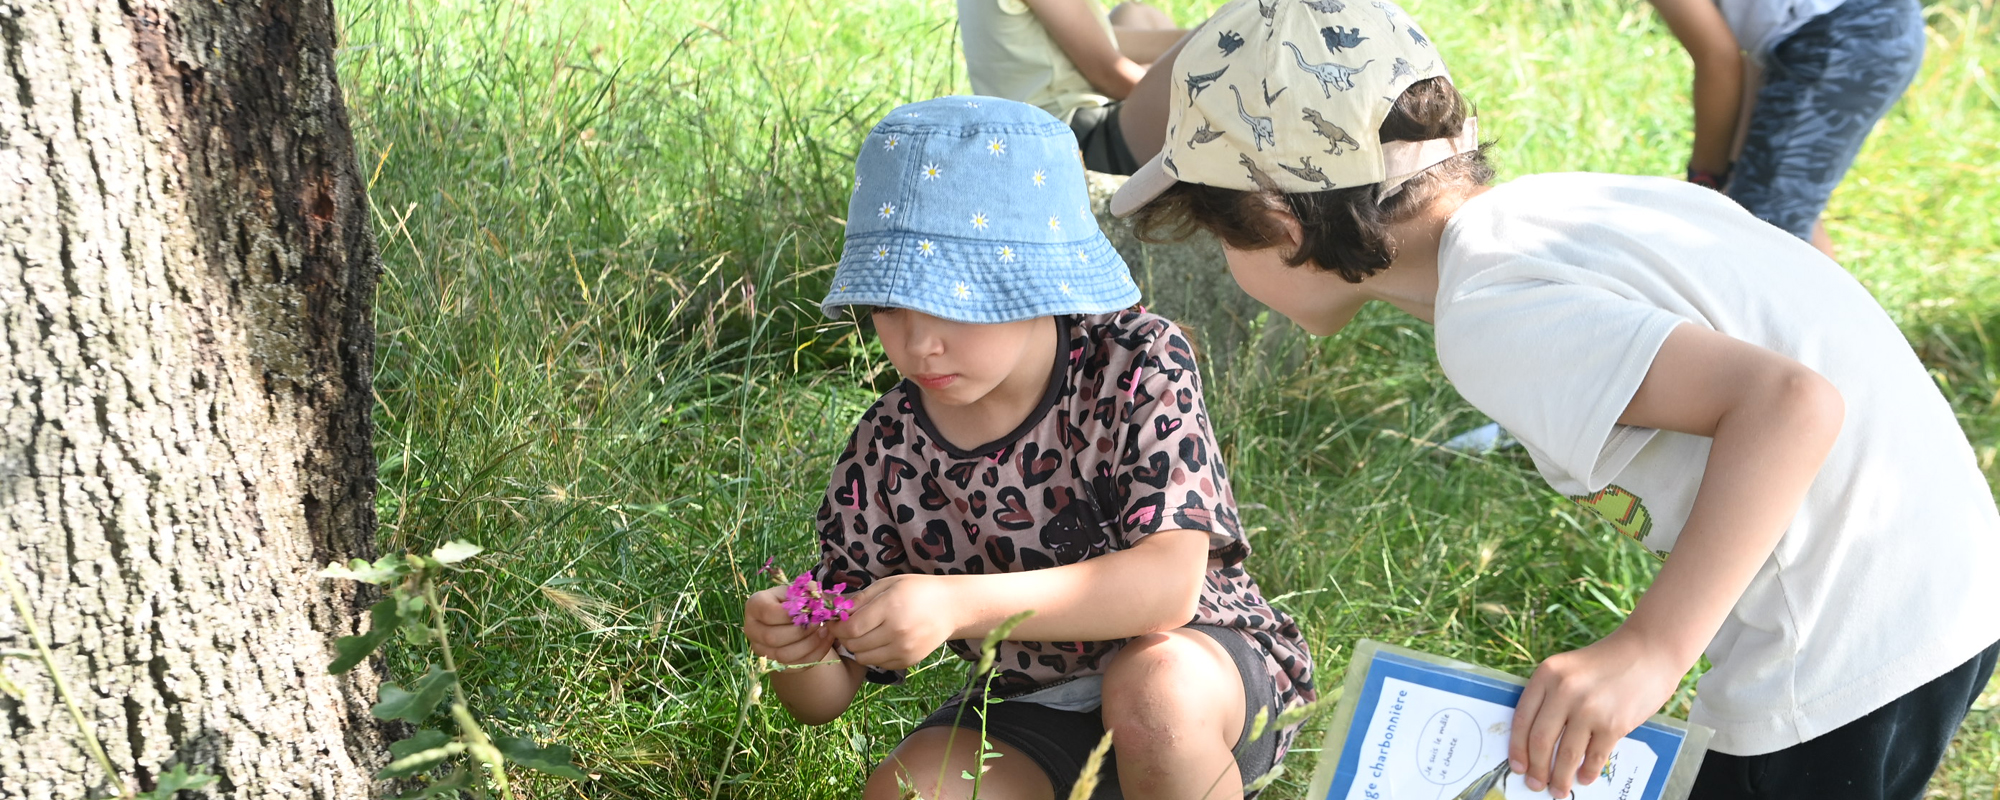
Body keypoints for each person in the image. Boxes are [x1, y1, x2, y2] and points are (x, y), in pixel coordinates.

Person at [1108, 0, 2000, 798]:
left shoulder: (1488, 313)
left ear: (1278, 223)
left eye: (1217, 237)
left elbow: (1791, 404)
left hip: (1841, 639)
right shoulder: (1563, 209)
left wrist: (1649, 650)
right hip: (1938, 574)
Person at [741, 96, 1315, 800]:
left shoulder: (1133, 364)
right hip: (1032, 702)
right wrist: (796, 648)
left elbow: (1167, 589)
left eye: (951, 301)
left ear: (1039, 282)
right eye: (888, 304)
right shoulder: (887, 449)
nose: (919, 343)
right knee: (909, 791)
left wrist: (955, 605)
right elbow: (827, 697)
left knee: (1151, 693)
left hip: (1200, 669)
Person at [1646, 0, 1926, 257]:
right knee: (1776, 208)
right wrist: (1732, 172)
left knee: (1762, 231)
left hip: (1844, 36)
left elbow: (1719, 60)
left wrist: (1705, 178)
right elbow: (1751, 57)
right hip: (1865, 27)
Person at [957, 0, 1193, 174]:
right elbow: (1110, 77)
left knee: (1137, 15)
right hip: (1070, 140)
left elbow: (1099, 41)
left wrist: (1189, 40)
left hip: (1049, 125)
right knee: (1213, 45)